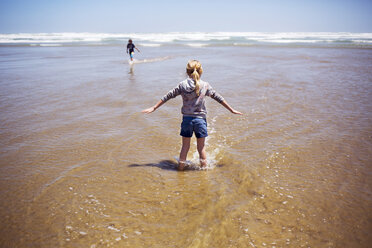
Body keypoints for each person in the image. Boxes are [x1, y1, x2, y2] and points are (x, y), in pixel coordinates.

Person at [142, 60, 243, 171]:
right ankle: (204, 170)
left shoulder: (182, 85)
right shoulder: (205, 85)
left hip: (187, 120)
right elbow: (218, 97)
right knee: (201, 148)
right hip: (200, 120)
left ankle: (180, 169)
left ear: (187, 71)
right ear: (200, 71)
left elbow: (168, 96)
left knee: (185, 147)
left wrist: (154, 107)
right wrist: (231, 109)